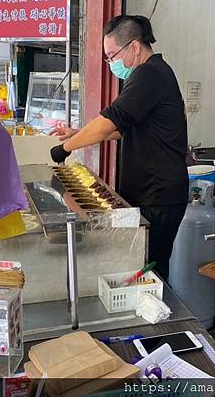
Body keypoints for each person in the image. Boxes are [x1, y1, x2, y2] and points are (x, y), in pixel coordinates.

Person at [50, 15, 188, 282]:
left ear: (134, 47)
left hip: (158, 195)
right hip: (153, 192)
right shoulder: (151, 73)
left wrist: (65, 148)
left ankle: (157, 319)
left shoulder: (150, 74)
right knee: (143, 267)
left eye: (112, 55)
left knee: (149, 272)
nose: (111, 63)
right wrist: (79, 134)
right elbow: (120, 129)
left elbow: (108, 121)